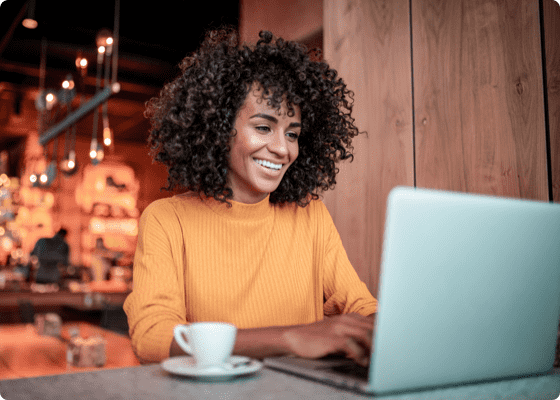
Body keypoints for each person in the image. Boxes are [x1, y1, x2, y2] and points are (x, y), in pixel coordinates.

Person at [124, 28, 378, 366]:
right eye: (263, 127)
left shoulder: (309, 215)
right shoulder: (167, 220)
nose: (282, 148)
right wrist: (289, 337)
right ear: (217, 126)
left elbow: (363, 308)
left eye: (292, 133)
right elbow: (153, 337)